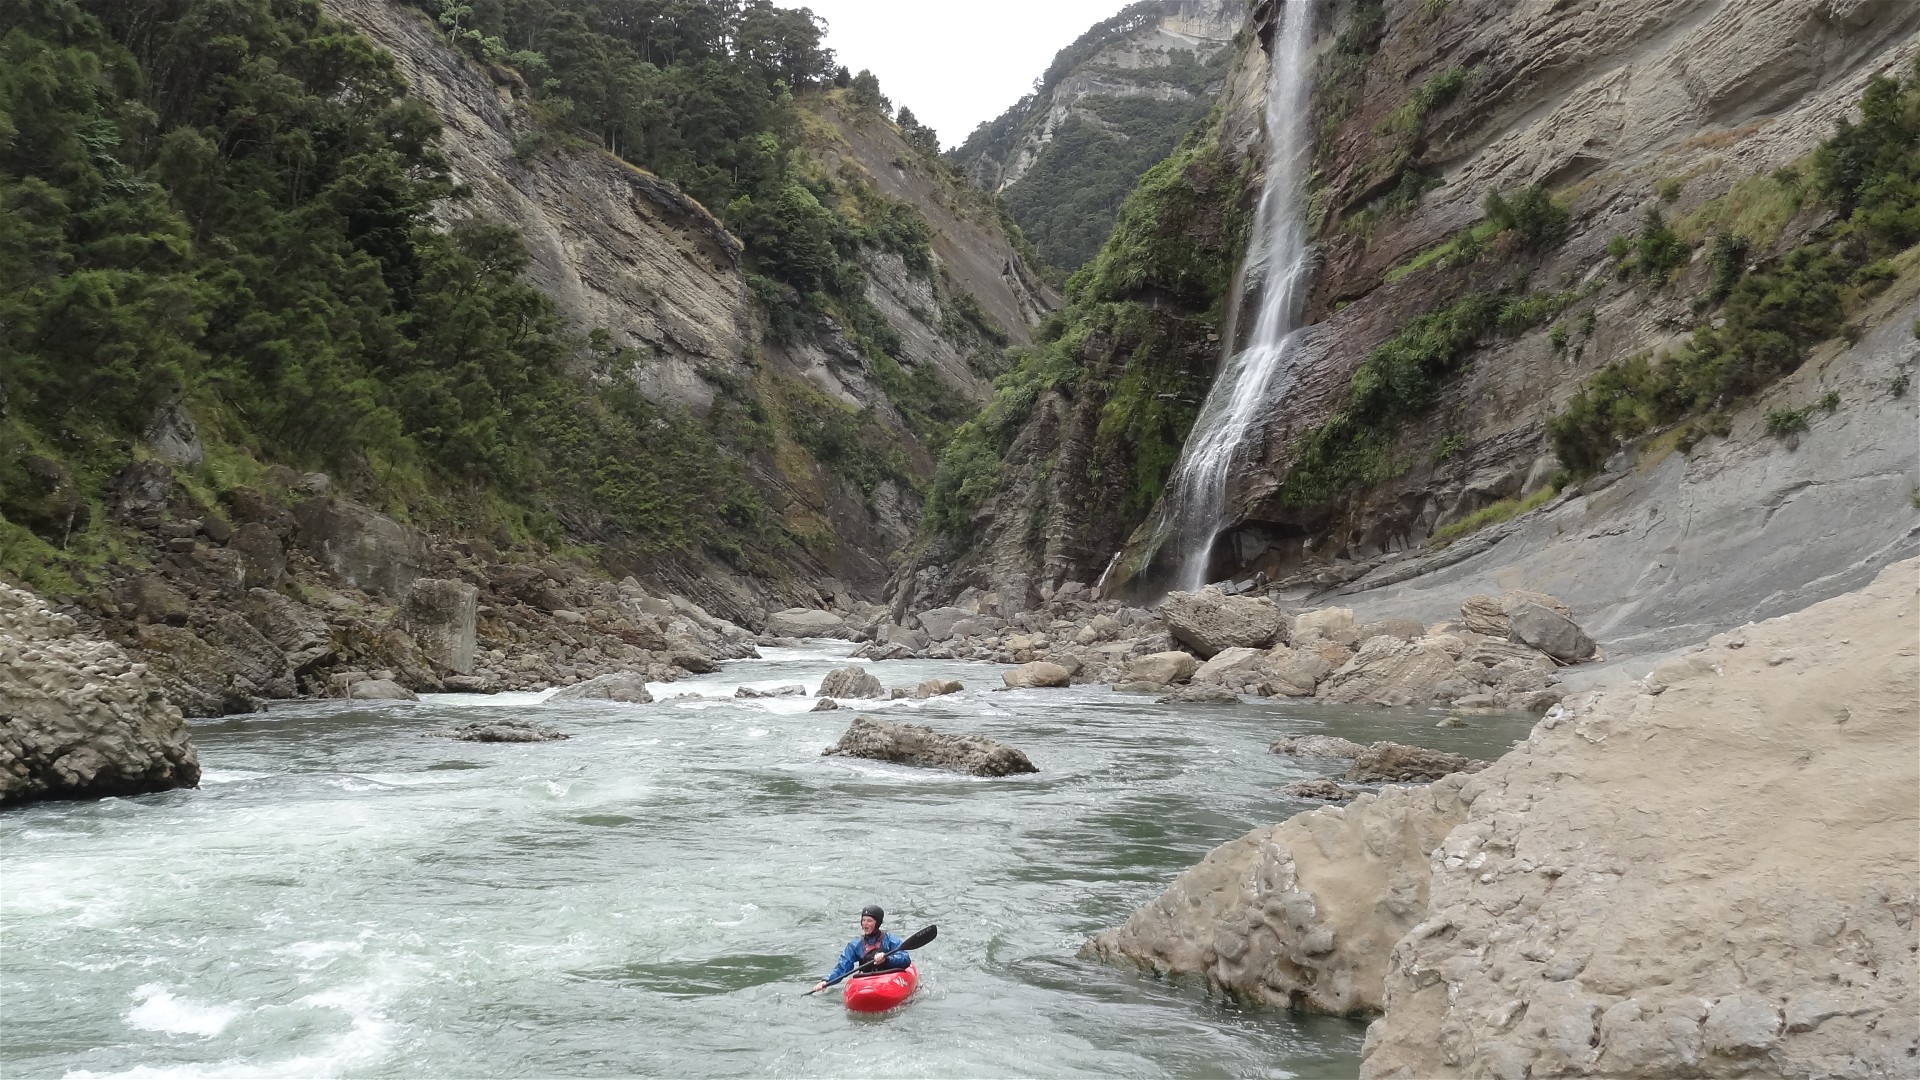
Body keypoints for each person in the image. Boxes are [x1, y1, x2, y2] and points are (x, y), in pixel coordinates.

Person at [811, 904, 908, 993]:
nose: (865, 924)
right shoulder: (855, 945)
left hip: (889, 977)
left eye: (869, 921)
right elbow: (842, 967)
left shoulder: (890, 940)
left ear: (877, 923)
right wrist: (826, 981)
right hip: (866, 979)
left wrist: (887, 959)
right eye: (863, 920)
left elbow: (905, 959)